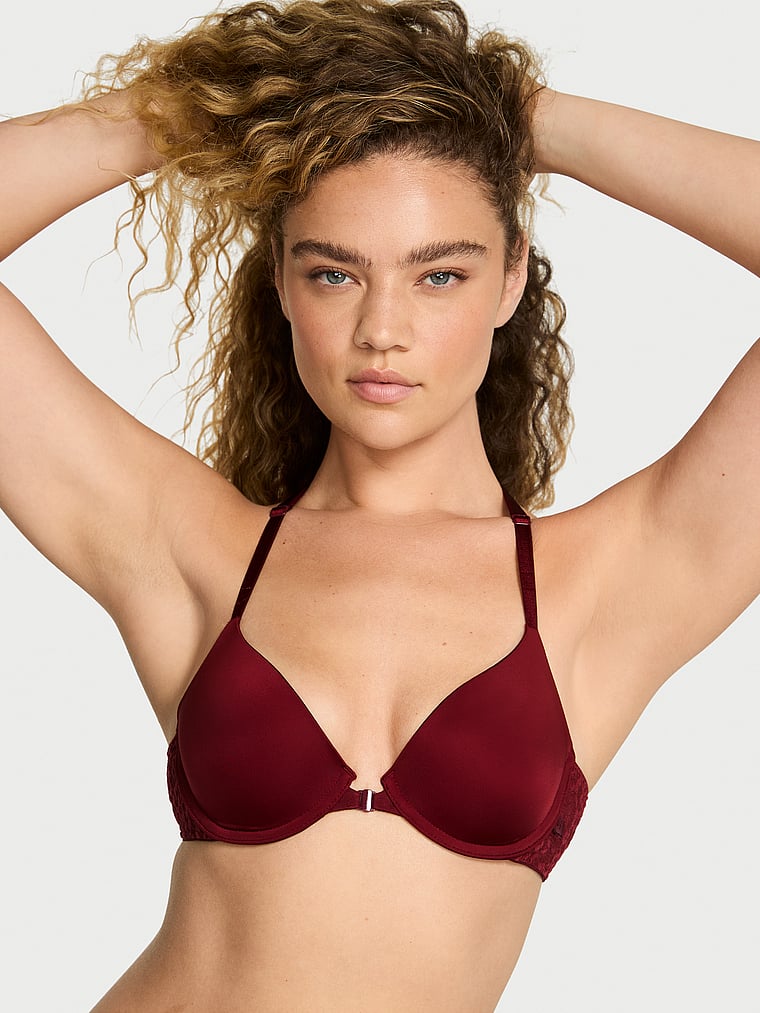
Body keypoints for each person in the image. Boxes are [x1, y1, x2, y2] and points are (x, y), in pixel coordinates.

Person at [1, 0, 757, 1010]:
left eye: (439, 273)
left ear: (510, 278)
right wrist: (206, 109)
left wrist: (525, 118)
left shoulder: (609, 579)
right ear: (281, 281)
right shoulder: (197, 548)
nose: (382, 329)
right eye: (333, 272)